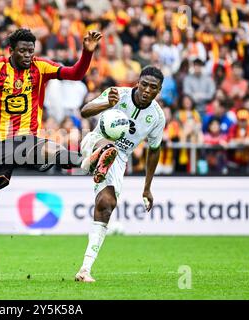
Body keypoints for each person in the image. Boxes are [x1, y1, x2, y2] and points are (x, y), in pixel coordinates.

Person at [0, 28, 102, 282]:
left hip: (27, 138)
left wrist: (87, 53)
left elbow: (75, 73)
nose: (28, 55)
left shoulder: (41, 67)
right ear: (11, 51)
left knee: (44, 146)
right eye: (23, 50)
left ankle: (87, 161)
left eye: (31, 50)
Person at [75, 66, 165, 282]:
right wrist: (107, 104)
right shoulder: (118, 94)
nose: (146, 90)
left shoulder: (157, 117)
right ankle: (94, 158)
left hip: (119, 158)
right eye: (144, 84)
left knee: (107, 205)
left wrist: (147, 187)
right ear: (137, 83)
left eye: (152, 88)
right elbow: (85, 111)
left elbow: (154, 151)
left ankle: (85, 269)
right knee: (108, 146)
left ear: (158, 91)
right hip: (96, 139)